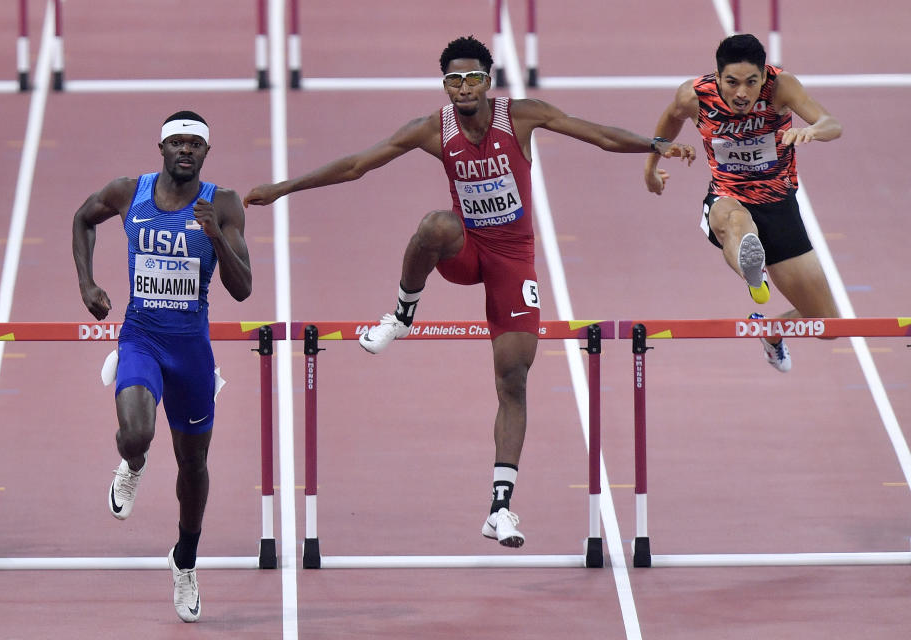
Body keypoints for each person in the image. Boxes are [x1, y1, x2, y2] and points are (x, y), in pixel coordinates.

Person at [244, 36, 694, 547]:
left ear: (488, 79)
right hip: (466, 247)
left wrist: (655, 145)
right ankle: (401, 315)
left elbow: (597, 135)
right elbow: (356, 165)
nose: (463, 87)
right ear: (445, 85)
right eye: (453, 80)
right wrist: (283, 189)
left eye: (472, 78)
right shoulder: (431, 130)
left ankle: (500, 507)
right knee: (433, 224)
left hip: (512, 261)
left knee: (514, 377)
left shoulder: (522, 116)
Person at [71, 110, 252, 622]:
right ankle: (131, 465)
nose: (185, 150)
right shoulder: (130, 192)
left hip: (192, 352)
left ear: (206, 153)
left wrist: (217, 236)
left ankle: (185, 561)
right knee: (135, 435)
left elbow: (243, 290)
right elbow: (83, 219)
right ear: (162, 147)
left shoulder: (223, 203)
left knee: (193, 466)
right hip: (141, 339)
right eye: (177, 142)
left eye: (195, 144)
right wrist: (86, 284)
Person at [645, 33, 842, 372]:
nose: (741, 93)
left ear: (764, 76)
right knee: (736, 223)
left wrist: (813, 131)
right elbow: (670, 121)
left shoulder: (782, 86)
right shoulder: (694, 96)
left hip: (779, 205)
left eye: (751, 82)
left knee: (826, 324)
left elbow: (832, 123)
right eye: (732, 82)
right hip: (728, 196)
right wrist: (651, 167)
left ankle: (772, 331)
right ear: (717, 77)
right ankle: (755, 277)